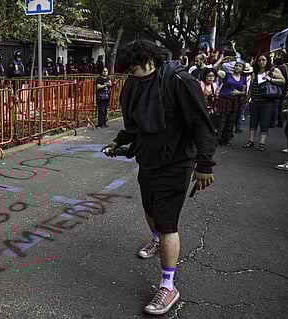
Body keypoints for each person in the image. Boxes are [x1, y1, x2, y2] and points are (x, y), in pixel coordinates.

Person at [102, 40, 215, 316]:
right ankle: (155, 240)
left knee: (166, 223)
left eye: (134, 69)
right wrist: (118, 142)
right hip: (148, 159)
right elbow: (135, 124)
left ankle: (168, 285)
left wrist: (205, 164)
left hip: (176, 161)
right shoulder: (133, 85)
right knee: (149, 208)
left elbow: (201, 123)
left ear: (150, 62)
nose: (130, 75)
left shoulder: (179, 81)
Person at [243, 53, 285, 151]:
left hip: (267, 101)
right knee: (253, 122)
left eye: (263, 60)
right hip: (255, 100)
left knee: (264, 122)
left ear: (267, 61)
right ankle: (251, 141)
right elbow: (251, 88)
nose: (261, 62)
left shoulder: (273, 71)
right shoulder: (255, 73)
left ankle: (262, 142)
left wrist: (270, 79)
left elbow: (282, 81)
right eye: (259, 60)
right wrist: (247, 99)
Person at [216, 60, 247, 145]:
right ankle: (217, 139)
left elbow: (244, 92)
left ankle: (225, 140)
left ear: (242, 69)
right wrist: (221, 62)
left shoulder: (243, 79)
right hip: (224, 100)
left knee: (231, 121)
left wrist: (239, 93)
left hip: (235, 102)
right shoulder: (227, 75)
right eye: (236, 65)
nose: (237, 67)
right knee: (221, 120)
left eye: (240, 66)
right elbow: (215, 70)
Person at [234, 62, 253, 133]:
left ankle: (238, 127)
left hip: (246, 96)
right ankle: (234, 127)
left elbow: (250, 88)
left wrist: (248, 97)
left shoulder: (251, 77)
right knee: (236, 112)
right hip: (238, 96)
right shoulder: (240, 77)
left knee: (241, 112)